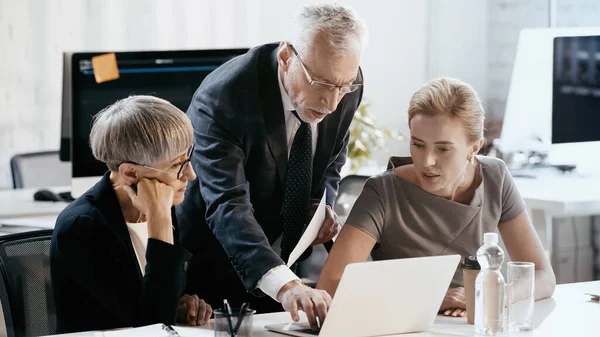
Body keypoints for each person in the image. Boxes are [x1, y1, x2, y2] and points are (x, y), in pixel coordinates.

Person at [176, 3, 367, 330]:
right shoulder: (225, 97)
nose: (332, 103)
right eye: (320, 84)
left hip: (288, 271)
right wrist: (286, 285)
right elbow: (227, 204)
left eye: (342, 86)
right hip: (215, 272)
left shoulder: (345, 82)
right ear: (285, 57)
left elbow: (332, 159)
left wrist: (321, 207)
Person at [316, 78, 556, 318]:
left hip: (474, 326)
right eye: (418, 144)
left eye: (443, 149)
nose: (426, 161)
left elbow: (542, 276)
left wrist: (492, 295)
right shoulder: (383, 191)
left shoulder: (496, 177)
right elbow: (331, 286)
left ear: (475, 147)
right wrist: (432, 298)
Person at [51, 96, 212, 333]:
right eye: (177, 165)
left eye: (188, 159)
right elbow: (152, 326)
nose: (191, 174)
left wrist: (180, 303)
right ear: (130, 173)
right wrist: (160, 223)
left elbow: (152, 305)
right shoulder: (82, 227)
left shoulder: (163, 202)